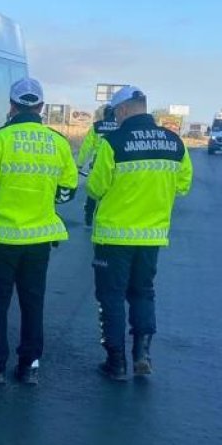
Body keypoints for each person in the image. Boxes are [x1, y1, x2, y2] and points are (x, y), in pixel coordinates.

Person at [0, 77, 78, 386]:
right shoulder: (57, 142)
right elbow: (68, 191)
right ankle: (29, 365)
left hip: (1, 238)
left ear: (12, 106)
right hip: (39, 239)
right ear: (41, 107)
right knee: (33, 301)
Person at [87, 85, 193, 381]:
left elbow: (95, 188)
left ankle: (116, 362)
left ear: (122, 110)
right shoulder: (175, 142)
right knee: (143, 293)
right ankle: (143, 354)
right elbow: (183, 186)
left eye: (115, 112)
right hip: (151, 237)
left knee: (111, 297)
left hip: (113, 237)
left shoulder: (113, 142)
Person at [76, 105, 120, 227]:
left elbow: (86, 147)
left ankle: (88, 217)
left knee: (93, 191)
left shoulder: (96, 127)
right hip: (115, 163)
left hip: (96, 164)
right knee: (111, 192)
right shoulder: (120, 127)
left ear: (104, 114)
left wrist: (79, 164)